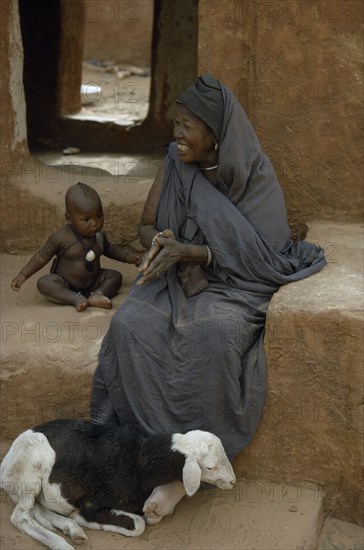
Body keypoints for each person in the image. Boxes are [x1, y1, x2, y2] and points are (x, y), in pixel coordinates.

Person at [90, 75, 326, 520]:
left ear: (215, 135)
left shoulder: (255, 174)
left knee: (213, 336)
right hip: (173, 278)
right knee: (129, 326)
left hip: (235, 284)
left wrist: (196, 252)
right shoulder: (174, 164)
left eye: (187, 126)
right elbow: (145, 223)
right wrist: (161, 242)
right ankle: (150, 455)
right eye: (175, 124)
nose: (177, 134)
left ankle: (192, 464)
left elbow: (266, 254)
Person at [11, 182, 142, 311]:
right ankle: (74, 298)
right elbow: (42, 256)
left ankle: (98, 294)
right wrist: (23, 274)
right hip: (65, 283)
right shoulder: (61, 237)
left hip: (94, 282)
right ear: (69, 219)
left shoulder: (99, 236)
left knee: (115, 277)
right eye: (86, 219)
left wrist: (127, 257)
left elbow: (110, 249)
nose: (95, 223)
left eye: (99, 216)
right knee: (45, 283)